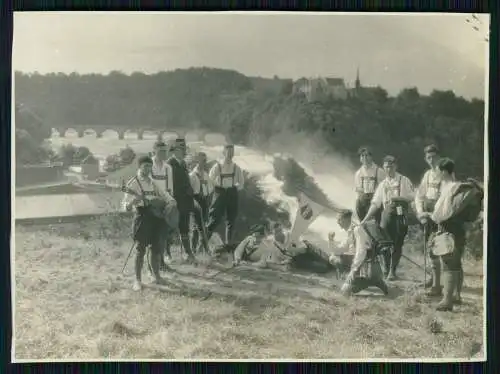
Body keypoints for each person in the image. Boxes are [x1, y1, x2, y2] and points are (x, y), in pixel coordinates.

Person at [121, 155, 176, 291]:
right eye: (145, 166)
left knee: (156, 248)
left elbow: (165, 195)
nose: (148, 169)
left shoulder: (152, 182)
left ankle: (155, 276)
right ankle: (137, 280)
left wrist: (171, 202)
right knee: (140, 249)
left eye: (149, 166)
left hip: (156, 217)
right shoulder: (133, 183)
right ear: (139, 167)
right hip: (142, 217)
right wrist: (134, 201)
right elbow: (125, 207)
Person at [421, 158, 467, 311]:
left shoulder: (451, 188)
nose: (437, 174)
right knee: (453, 262)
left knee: (449, 263)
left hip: (450, 229)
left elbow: (444, 212)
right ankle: (453, 297)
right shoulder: (453, 186)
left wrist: (430, 216)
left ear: (444, 171)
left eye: (439, 171)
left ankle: (447, 301)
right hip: (453, 228)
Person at [361, 155, 415, 280]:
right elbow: (376, 203)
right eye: (386, 167)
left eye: (391, 167)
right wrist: (365, 219)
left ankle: (392, 271)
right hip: (386, 214)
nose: (388, 170)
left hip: (400, 214)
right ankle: (385, 269)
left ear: (396, 166)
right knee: (384, 243)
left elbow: (413, 196)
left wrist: (400, 198)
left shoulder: (403, 180)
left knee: (397, 244)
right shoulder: (383, 184)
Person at [336, 210, 390, 296]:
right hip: (363, 262)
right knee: (336, 259)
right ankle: (371, 280)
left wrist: (353, 270)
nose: (337, 222)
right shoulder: (350, 231)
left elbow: (361, 251)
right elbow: (342, 248)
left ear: (346, 219)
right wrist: (331, 241)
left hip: (368, 262)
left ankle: (375, 281)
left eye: (339, 219)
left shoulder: (357, 230)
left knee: (348, 290)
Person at [414, 144, 443, 295]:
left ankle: (438, 286)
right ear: (425, 159)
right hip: (427, 215)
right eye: (428, 157)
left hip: (441, 215)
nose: (431, 160)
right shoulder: (427, 175)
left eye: (434, 157)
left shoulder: (445, 174)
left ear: (439, 157)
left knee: (438, 249)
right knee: (430, 248)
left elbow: (446, 199)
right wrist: (421, 213)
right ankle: (433, 279)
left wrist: (434, 215)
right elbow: (419, 195)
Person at [206, 144, 245, 246]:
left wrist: (234, 188)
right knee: (214, 219)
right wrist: (217, 187)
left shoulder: (236, 168)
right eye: (228, 152)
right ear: (223, 153)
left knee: (231, 220)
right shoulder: (217, 167)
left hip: (232, 193)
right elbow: (209, 180)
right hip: (220, 193)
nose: (230, 154)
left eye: (232, 152)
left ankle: (228, 245)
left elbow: (241, 183)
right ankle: (203, 244)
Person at [167, 138, 197, 264]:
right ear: (174, 150)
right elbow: (170, 184)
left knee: (184, 227)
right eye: (181, 148)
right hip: (174, 200)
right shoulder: (169, 164)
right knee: (170, 227)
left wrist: (190, 189)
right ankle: (166, 254)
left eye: (184, 148)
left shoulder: (183, 163)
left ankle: (187, 253)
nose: (184, 151)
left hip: (185, 201)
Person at [151, 140, 175, 266]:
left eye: (165, 151)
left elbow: (170, 188)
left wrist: (170, 203)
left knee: (165, 231)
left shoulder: (168, 168)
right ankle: (154, 263)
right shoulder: (149, 166)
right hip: (152, 203)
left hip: (165, 203)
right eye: (160, 151)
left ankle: (163, 258)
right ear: (154, 151)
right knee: (153, 233)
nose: (163, 154)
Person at [189, 151, 214, 253]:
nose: (204, 162)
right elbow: (189, 192)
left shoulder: (206, 175)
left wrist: (208, 200)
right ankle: (194, 249)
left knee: (204, 225)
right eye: (201, 160)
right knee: (197, 226)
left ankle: (201, 249)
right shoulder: (191, 176)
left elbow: (210, 188)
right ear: (197, 161)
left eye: (205, 160)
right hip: (196, 200)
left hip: (205, 201)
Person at [354, 147, 386, 222]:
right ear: (360, 158)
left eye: (367, 155)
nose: (364, 158)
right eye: (362, 156)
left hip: (376, 201)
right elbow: (358, 191)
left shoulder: (379, 171)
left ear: (371, 157)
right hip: (363, 201)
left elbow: (384, 190)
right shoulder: (358, 173)